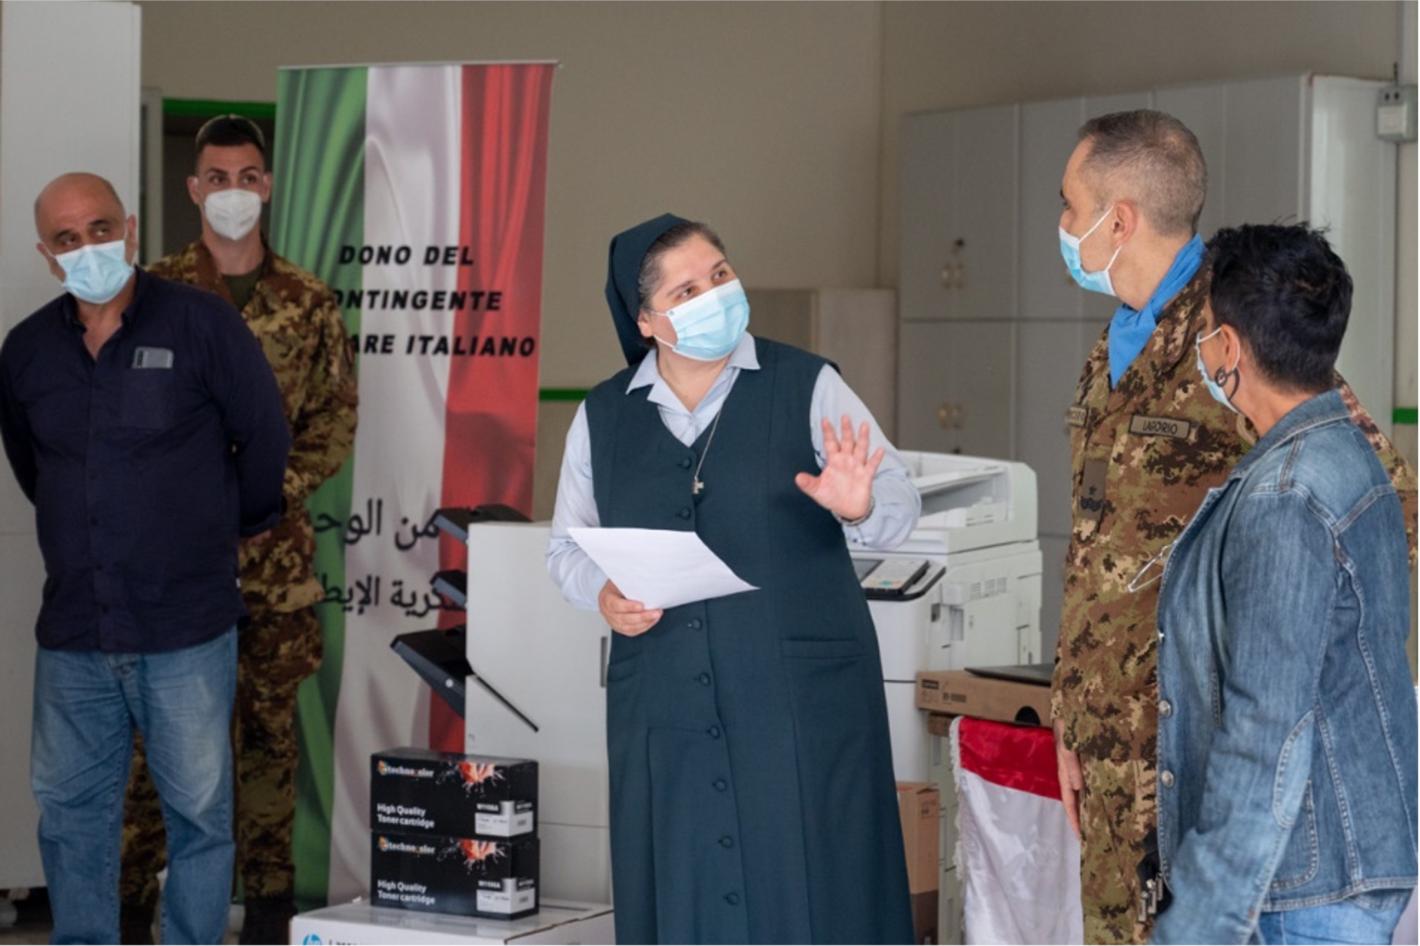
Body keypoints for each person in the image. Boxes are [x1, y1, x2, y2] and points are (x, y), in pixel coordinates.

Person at [1047, 110, 1417, 943]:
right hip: (1108, 739)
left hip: (1203, 755)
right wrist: (1073, 711)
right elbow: (1096, 545)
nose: (1062, 225)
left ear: (1119, 219)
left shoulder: (1235, 333)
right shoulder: (1114, 345)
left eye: (1071, 205)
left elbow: (1384, 507)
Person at [546, 214, 919, 944]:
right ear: (647, 321)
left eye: (719, 274)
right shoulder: (601, 416)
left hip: (797, 702)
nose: (714, 295)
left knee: (815, 890)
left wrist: (859, 505)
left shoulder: (808, 383)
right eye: (686, 290)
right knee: (684, 889)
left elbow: (898, 505)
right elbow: (566, 550)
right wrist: (605, 595)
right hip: (667, 703)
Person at [0, 173, 289, 944]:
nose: (87, 247)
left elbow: (264, 436)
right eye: (67, 239)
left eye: (100, 228)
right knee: (71, 816)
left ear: (129, 230)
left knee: (199, 814)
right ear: (47, 255)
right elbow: (35, 468)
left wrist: (232, 525)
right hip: (76, 630)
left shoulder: (203, 323)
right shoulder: (26, 351)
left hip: (185, 623)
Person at [117, 115, 358, 945]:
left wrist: (263, 492)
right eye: (217, 179)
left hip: (273, 567)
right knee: (156, 747)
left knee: (266, 743)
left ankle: (267, 911)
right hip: (172, 567)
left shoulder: (309, 301)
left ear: (269, 186)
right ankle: (128, 908)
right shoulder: (150, 295)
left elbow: (334, 419)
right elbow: (120, 419)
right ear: (194, 189)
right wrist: (188, 499)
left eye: (247, 177)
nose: (233, 193)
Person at [1150, 223, 1417, 944]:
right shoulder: (1345, 454)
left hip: (1303, 888)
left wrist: (1198, 920)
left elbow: (1267, 729)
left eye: (1207, 331)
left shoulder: (1285, 496)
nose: (1202, 349)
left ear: (1230, 347)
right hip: (1342, 865)